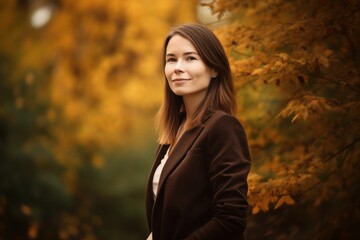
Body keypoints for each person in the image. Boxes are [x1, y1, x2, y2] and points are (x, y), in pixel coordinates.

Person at [145, 23, 251, 240]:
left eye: (190, 58)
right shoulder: (174, 131)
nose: (177, 67)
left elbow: (231, 219)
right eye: (171, 59)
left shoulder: (222, 127)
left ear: (214, 69)